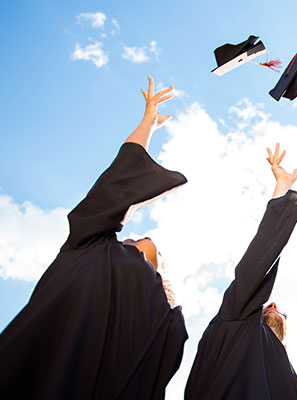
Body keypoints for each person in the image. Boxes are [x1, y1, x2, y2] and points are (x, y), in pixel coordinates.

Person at [0, 77, 187, 399]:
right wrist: (148, 123)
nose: (136, 238)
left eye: (134, 240)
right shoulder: (91, 246)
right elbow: (117, 182)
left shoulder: (166, 321)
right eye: (131, 239)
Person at [185, 144, 297, 399]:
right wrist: (281, 190)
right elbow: (257, 263)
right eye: (266, 307)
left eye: (276, 309)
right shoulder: (238, 323)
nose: (273, 303)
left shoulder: (296, 386)